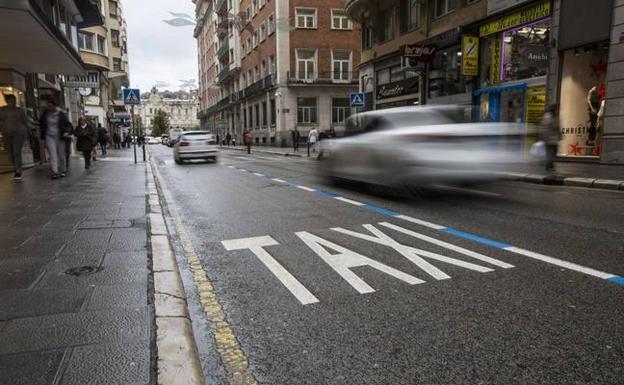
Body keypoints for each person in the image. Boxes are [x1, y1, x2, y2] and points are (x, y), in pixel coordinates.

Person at [40, 99, 72, 179]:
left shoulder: (61, 114)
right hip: (49, 136)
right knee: (53, 154)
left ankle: (63, 170)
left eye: (51, 106)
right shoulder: (45, 114)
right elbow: (41, 122)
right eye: (48, 106)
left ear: (55, 106)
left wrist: (66, 131)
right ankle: (55, 171)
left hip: (60, 135)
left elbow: (67, 124)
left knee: (61, 154)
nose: (49, 108)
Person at [0, 95, 29, 179]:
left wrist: (27, 131)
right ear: (7, 101)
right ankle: (16, 166)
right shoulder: (2, 110)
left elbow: (25, 121)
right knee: (10, 151)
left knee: (16, 151)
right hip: (7, 133)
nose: (13, 102)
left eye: (14, 100)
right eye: (11, 101)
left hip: (19, 133)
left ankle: (18, 171)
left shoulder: (20, 110)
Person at [538, 104, 561, 171]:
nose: (557, 110)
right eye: (556, 109)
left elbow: (557, 127)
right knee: (550, 152)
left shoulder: (555, 116)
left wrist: (559, 135)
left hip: (553, 138)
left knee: (553, 152)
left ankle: (549, 165)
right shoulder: (548, 116)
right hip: (549, 138)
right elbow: (545, 128)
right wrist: (544, 137)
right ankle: (549, 165)